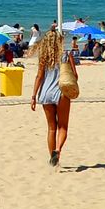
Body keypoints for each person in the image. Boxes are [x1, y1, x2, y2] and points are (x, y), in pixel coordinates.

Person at [28, 32, 74, 167]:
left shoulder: (44, 57)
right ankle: (58, 150)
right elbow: (74, 75)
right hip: (61, 92)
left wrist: (33, 96)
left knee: (51, 128)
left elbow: (39, 76)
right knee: (63, 126)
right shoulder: (66, 55)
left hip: (45, 93)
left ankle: (53, 161)